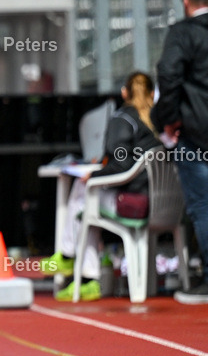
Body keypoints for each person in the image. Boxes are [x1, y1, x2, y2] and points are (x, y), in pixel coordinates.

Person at [43, 72, 159, 302]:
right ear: (152, 93)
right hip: (163, 202)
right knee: (87, 201)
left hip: (133, 201)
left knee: (83, 195)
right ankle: (79, 268)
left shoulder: (123, 119)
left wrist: (95, 173)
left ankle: (76, 266)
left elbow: (122, 163)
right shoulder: (159, 120)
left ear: (124, 92)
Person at [152, 0, 208, 304]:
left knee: (203, 206)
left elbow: (169, 75)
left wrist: (167, 120)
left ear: (186, 0)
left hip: (197, 133)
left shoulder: (182, 34)